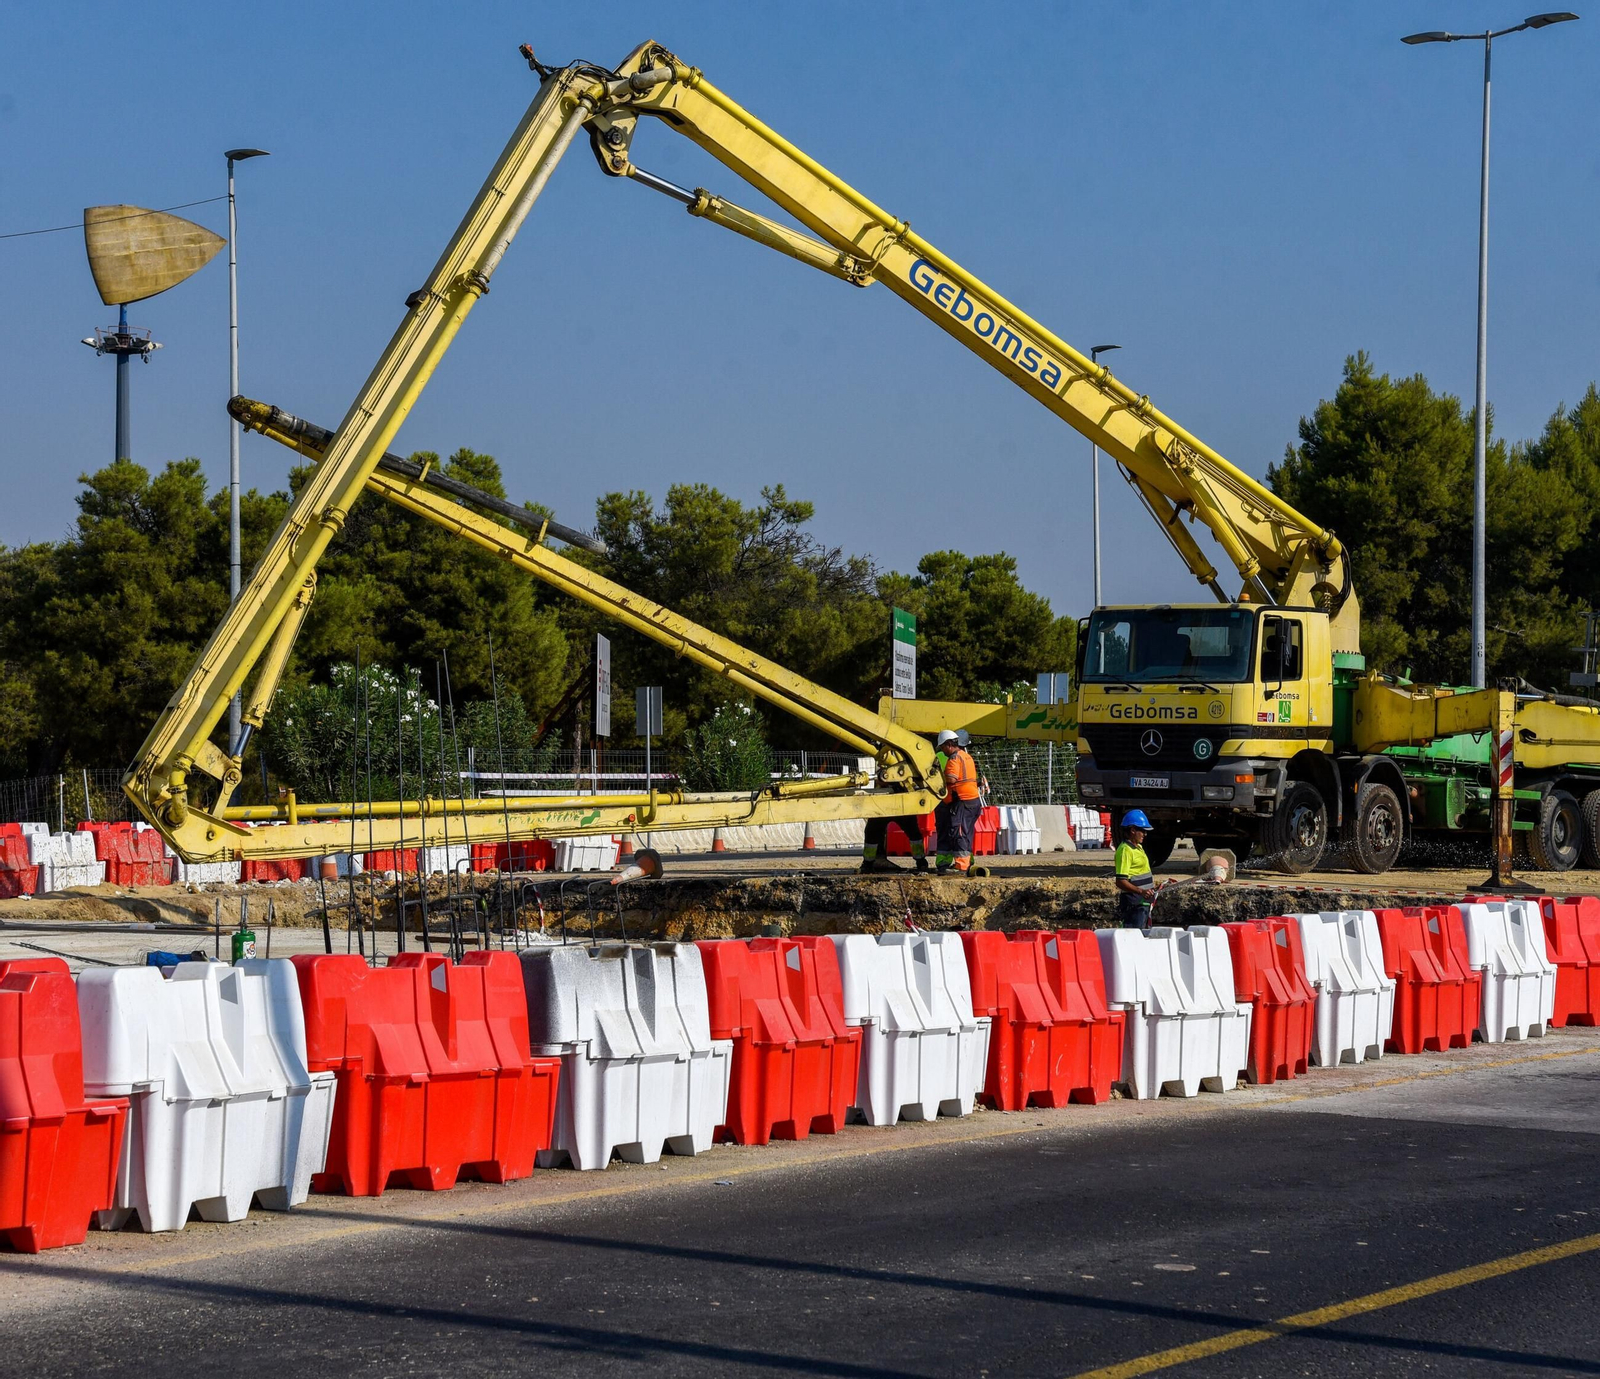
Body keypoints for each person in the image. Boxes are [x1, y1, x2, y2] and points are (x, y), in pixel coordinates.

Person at [933, 729, 983, 874]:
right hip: (970, 801)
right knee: (964, 832)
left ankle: (961, 866)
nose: (942, 751)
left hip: (962, 801)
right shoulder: (966, 756)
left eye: (942, 747)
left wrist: (938, 777)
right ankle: (964, 864)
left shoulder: (954, 758)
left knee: (959, 833)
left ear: (949, 744)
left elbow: (952, 778)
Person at [1114, 809, 1158, 929]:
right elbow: (1121, 881)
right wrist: (1141, 891)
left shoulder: (1138, 847)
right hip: (1134, 904)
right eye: (1142, 831)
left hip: (1143, 902)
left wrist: (1150, 889)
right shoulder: (1125, 850)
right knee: (1133, 935)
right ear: (1133, 830)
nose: (1145, 834)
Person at [860, 814, 929, 873]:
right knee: (913, 832)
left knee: (872, 832)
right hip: (901, 804)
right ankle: (921, 862)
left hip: (882, 805)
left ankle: (868, 863)